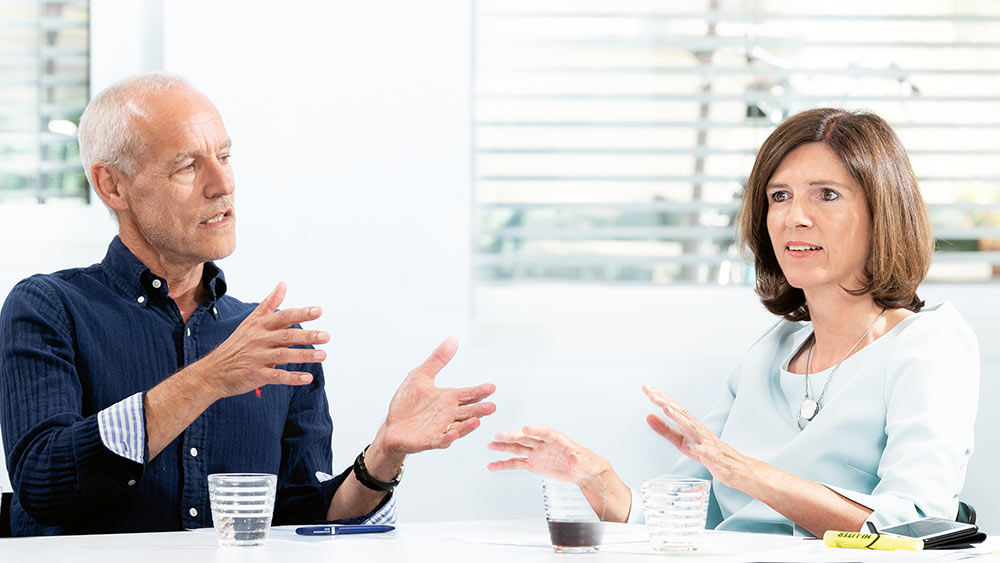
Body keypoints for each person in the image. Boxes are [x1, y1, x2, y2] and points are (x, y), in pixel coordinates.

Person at [0, 73, 497, 536]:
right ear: (113, 185)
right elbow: (45, 483)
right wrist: (210, 378)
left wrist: (383, 455)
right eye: (188, 165)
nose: (223, 184)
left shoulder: (272, 342)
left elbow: (302, 518)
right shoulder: (48, 308)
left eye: (225, 156)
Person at [487, 108, 979, 537]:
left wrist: (748, 473)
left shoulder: (927, 342)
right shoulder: (773, 350)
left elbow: (914, 522)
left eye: (826, 195)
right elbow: (686, 515)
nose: (795, 217)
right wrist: (598, 480)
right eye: (779, 196)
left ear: (882, 213)